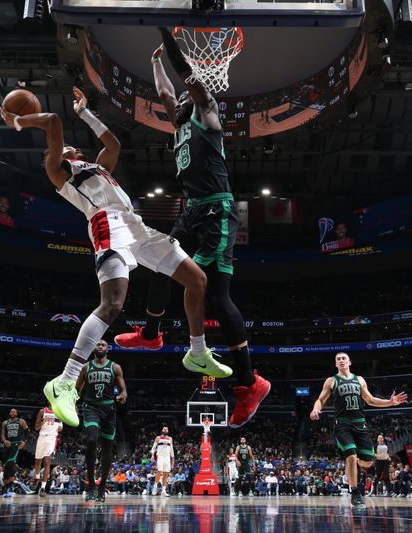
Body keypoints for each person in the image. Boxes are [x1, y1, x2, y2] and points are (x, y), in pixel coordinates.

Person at [0, 86, 218, 428]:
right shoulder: (60, 171)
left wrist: (85, 111)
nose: (72, 147)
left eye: (74, 146)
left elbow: (113, 144)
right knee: (113, 304)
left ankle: (197, 350)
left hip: (136, 226)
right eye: (67, 147)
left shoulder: (99, 168)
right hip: (106, 224)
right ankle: (65, 381)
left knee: (196, 278)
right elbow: (53, 121)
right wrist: (17, 120)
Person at [115, 28, 271, 429]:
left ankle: (249, 384)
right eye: (180, 97)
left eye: (187, 93)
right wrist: (153, 63)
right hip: (192, 211)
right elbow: (167, 92)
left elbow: (185, 76)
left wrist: (167, 37)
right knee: (160, 260)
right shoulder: (180, 120)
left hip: (218, 212)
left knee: (218, 296)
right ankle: (151, 332)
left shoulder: (206, 113)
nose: (181, 98)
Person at [310, 352, 407, 508]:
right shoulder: (332, 381)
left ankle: (355, 465)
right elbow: (320, 400)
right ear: (336, 364)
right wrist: (315, 409)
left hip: (360, 424)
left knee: (368, 462)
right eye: (338, 359)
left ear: (350, 362)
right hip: (342, 424)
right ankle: (355, 492)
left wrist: (390, 402)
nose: (341, 361)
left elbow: (370, 400)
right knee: (351, 456)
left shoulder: (359, 379)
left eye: (344, 358)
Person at [77, 340, 126, 503]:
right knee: (91, 440)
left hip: (109, 410)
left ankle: (101, 487)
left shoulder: (115, 367)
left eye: (103, 344)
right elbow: (77, 390)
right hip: (90, 408)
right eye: (97, 344)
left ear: (107, 349)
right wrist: (71, 405)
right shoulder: (86, 367)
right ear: (93, 348)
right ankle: (90, 485)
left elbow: (123, 390)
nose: (100, 346)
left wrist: (122, 396)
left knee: (107, 450)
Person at [34, 406, 63, 497]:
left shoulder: (59, 412)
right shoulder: (42, 411)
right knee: (38, 461)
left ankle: (43, 488)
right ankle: (37, 477)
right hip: (42, 437)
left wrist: (58, 425)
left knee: (47, 461)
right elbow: (36, 427)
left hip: (52, 438)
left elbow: (60, 428)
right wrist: (43, 421)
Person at [0, 408, 28, 498]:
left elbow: (27, 432)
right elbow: (2, 435)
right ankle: (5, 488)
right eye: (11, 411)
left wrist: (24, 442)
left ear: (17, 413)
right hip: (7, 445)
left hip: (16, 444)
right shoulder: (5, 423)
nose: (13, 412)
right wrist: (4, 441)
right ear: (9, 413)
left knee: (11, 464)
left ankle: (9, 488)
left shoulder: (21, 421)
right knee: (5, 466)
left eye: (15, 411)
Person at [150, 426, 174, 496]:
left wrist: (172, 459)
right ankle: (155, 486)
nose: (166, 430)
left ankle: (163, 491)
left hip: (167, 457)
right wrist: (152, 455)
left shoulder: (170, 438)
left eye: (167, 429)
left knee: (166, 474)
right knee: (159, 471)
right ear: (162, 430)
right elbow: (153, 447)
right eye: (164, 429)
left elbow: (171, 449)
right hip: (160, 456)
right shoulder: (158, 438)